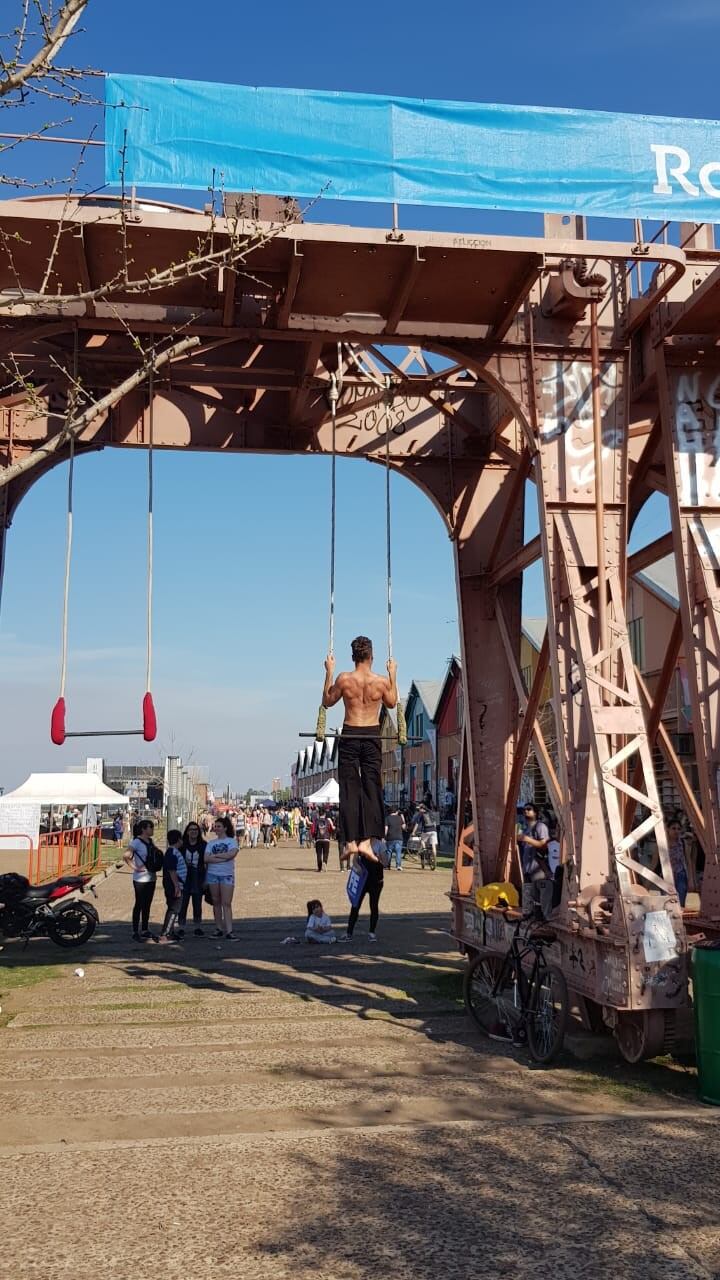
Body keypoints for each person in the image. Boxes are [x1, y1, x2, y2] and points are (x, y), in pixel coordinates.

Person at [321, 635, 398, 858]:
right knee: (372, 787)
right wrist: (393, 672)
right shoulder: (381, 681)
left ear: (353, 657)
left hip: (351, 733)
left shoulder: (345, 679)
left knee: (349, 789)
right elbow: (392, 702)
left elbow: (327, 701)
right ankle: (366, 841)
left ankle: (351, 842)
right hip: (371, 734)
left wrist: (329, 671)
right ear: (372, 657)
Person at [123, 819, 163, 942]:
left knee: (147, 903)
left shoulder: (151, 841)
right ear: (144, 829)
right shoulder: (136, 842)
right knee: (139, 903)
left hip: (151, 877)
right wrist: (135, 867)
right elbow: (126, 856)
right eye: (150, 828)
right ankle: (135, 930)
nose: (152, 830)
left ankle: (145, 929)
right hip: (140, 879)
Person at [204, 816, 239, 939]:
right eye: (215, 826)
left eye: (219, 826)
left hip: (226, 875)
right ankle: (218, 928)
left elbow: (232, 854)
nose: (216, 828)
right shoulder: (211, 843)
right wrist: (222, 857)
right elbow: (206, 858)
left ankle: (229, 930)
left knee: (227, 903)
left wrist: (215, 857)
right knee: (216, 902)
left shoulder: (231, 841)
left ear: (225, 828)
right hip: (213, 875)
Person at [517, 803, 553, 919]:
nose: (526, 811)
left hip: (538, 869)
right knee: (529, 895)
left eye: (529, 809)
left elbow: (543, 844)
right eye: (524, 810)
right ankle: (530, 915)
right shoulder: (526, 829)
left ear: (535, 813)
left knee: (542, 896)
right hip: (528, 869)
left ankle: (544, 918)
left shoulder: (540, 826)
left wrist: (526, 839)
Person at [344, 843, 384, 942]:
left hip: (376, 881)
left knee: (374, 906)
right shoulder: (361, 844)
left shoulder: (380, 845)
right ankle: (349, 932)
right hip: (362, 880)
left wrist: (376, 857)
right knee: (355, 905)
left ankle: (372, 932)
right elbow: (355, 860)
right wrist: (359, 867)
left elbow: (385, 862)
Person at [159, 829, 187, 944]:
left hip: (176, 884)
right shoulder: (172, 852)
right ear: (178, 840)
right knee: (174, 909)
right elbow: (172, 871)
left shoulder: (175, 851)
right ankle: (165, 934)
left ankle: (170, 932)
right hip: (174, 885)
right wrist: (176, 886)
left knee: (173, 908)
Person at [179, 821, 206, 935]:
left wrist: (206, 880)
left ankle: (197, 927)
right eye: (191, 829)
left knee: (197, 903)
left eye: (196, 829)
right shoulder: (182, 845)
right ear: (187, 832)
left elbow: (207, 864)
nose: (193, 831)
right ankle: (181, 927)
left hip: (198, 877)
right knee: (183, 903)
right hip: (185, 877)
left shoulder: (204, 845)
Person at [666, 818, 689, 907]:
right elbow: (655, 861)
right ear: (668, 829)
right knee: (667, 902)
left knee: (680, 902)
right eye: (673, 828)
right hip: (666, 876)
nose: (676, 831)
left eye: (679, 829)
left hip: (680, 875)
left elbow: (688, 861)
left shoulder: (683, 843)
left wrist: (691, 879)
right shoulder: (662, 844)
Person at [411, 804, 438, 870]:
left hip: (426, 830)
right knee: (433, 844)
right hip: (434, 830)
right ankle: (434, 854)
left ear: (422, 809)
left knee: (422, 840)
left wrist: (413, 832)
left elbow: (417, 824)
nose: (419, 810)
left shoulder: (421, 814)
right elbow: (434, 822)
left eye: (419, 809)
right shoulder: (431, 812)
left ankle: (424, 849)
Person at [385, 805, 406, 871]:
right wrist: (403, 818)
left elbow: (386, 828)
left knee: (389, 852)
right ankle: (398, 865)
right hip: (399, 837)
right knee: (398, 852)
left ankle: (387, 865)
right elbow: (404, 827)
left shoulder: (387, 818)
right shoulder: (399, 818)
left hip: (390, 837)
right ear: (396, 811)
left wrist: (384, 836)